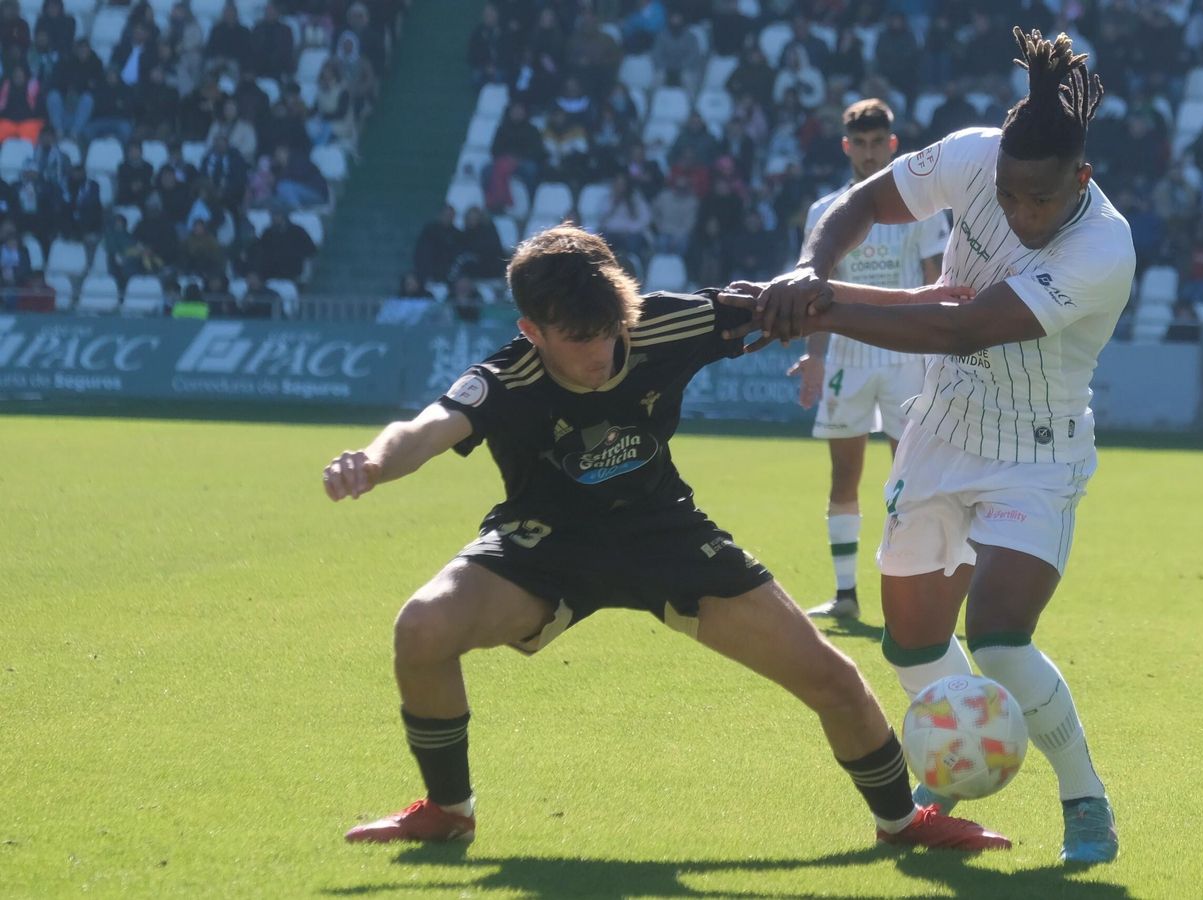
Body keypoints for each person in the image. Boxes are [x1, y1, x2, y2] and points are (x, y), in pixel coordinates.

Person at [324, 225, 1009, 853]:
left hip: (666, 535)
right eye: (578, 338)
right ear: (531, 330)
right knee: (422, 627)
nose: (600, 352)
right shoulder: (505, 378)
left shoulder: (661, 322)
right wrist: (373, 462)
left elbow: (795, 298)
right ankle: (449, 811)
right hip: (546, 546)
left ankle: (902, 822)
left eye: (608, 330)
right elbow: (426, 429)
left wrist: (913, 297)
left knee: (832, 677)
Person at [748, 29, 1135, 866]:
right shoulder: (972, 156)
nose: (1022, 214)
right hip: (940, 429)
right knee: (913, 642)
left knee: (998, 636)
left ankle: (1086, 800)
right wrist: (811, 267)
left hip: (1036, 452)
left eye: (1040, 200)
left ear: (1081, 178)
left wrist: (821, 307)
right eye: (1009, 196)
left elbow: (961, 329)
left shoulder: (1104, 247)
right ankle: (960, 757)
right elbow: (863, 203)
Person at [787, 99, 946, 621]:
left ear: (893, 144)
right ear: (846, 147)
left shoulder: (922, 208)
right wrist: (814, 357)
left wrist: (940, 355)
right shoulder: (825, 211)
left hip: (906, 357)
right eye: (861, 143)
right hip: (846, 358)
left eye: (879, 143)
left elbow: (936, 284)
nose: (870, 152)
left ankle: (918, 596)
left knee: (913, 480)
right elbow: (815, 291)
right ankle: (846, 596)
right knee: (843, 478)